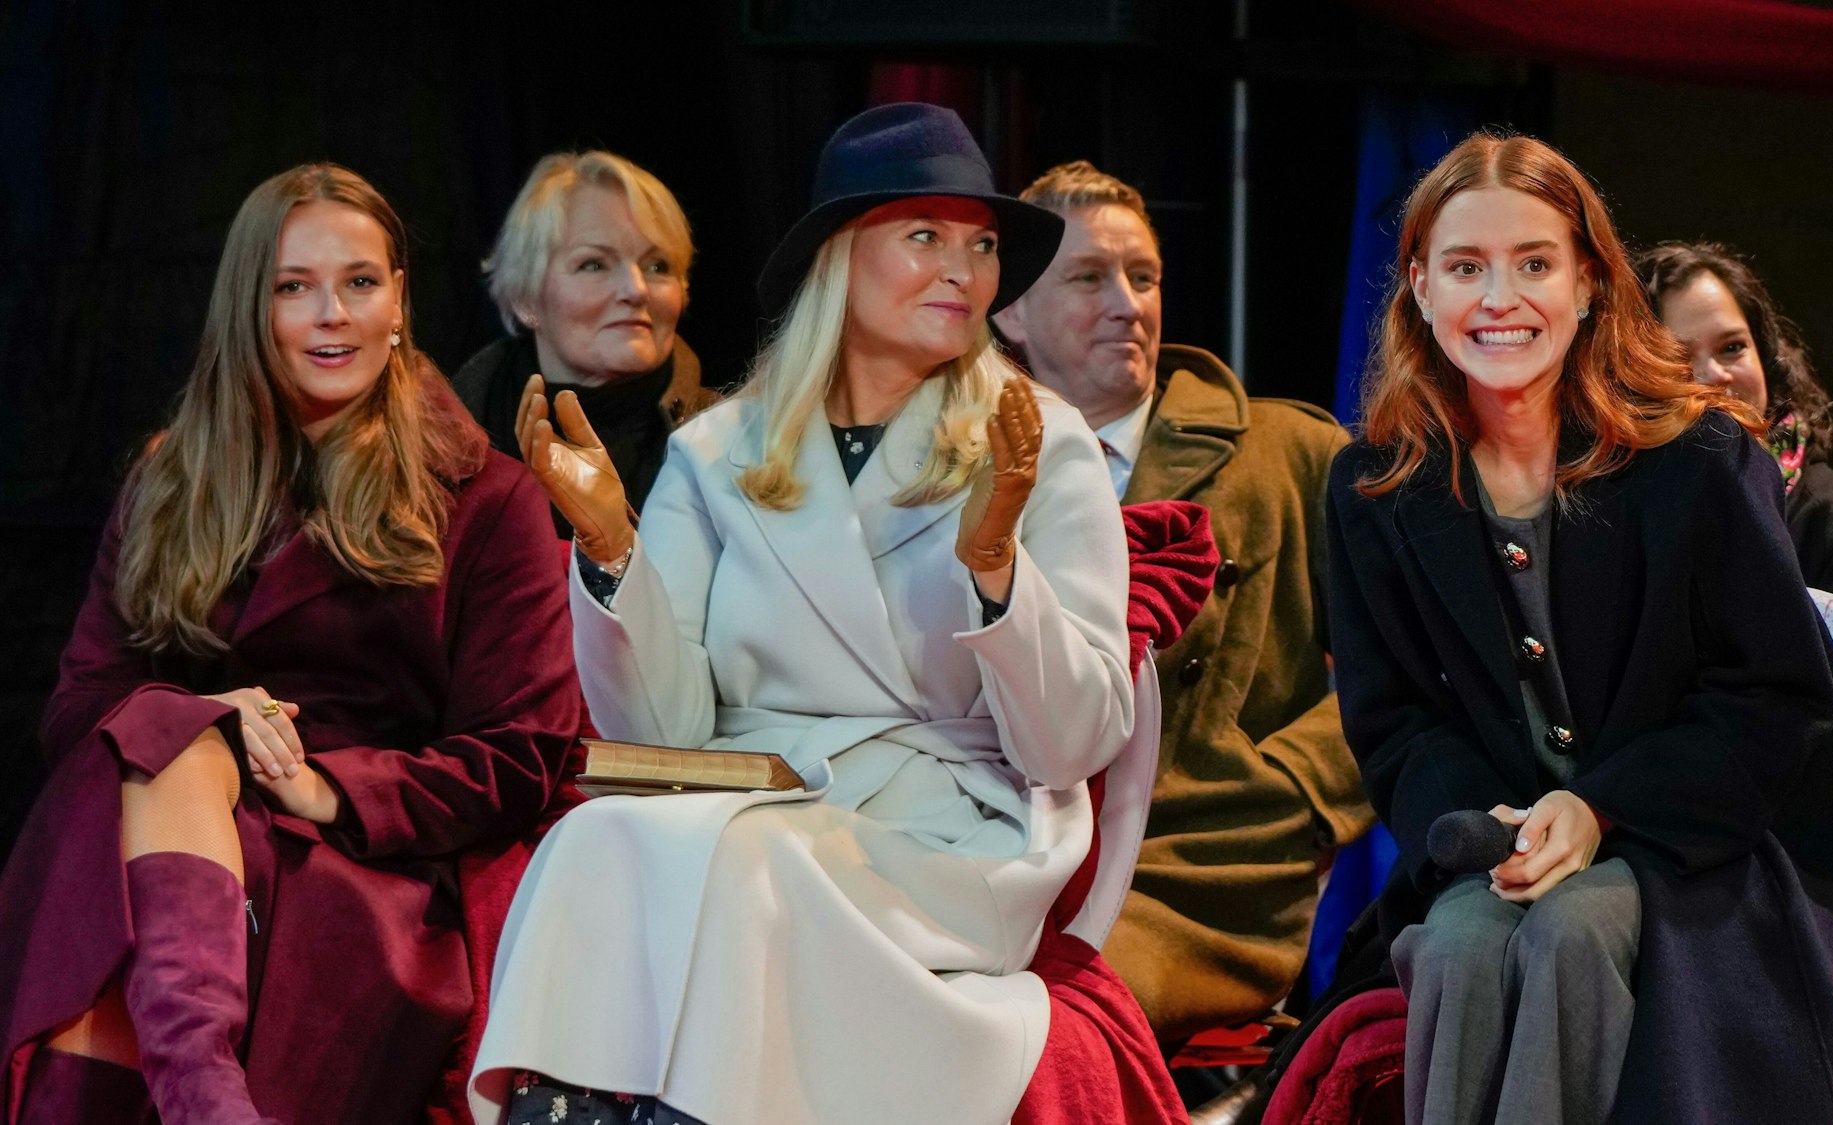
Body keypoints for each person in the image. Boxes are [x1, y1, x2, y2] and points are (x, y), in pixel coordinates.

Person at [471, 103, 1137, 1125]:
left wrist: (999, 568)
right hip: (753, 804)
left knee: (745, 867)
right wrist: (611, 548)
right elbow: (663, 732)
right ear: (839, 256)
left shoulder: (1035, 440)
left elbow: (1074, 743)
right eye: (924, 237)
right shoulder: (719, 450)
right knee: (594, 841)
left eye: (983, 246)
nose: (963, 271)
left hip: (948, 833)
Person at [1322, 133, 1833, 1124]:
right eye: (1464, 267)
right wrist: (1487, 828)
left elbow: (1773, 701)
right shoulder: (1372, 485)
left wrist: (1600, 810)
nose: (1498, 298)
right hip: (1497, 842)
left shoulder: (1701, 459)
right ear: (1417, 287)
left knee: (1571, 933)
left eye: (1532, 264)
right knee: (1455, 942)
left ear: (1586, 281)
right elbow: (1393, 718)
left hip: (1707, 849)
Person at [0, 165, 580, 1123]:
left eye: (360, 282)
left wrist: (328, 787)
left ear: (400, 301)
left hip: (359, 863)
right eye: (293, 286)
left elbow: (519, 754)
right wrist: (202, 722)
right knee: (161, 749)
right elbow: (76, 708)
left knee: (128, 874)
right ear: (248, 306)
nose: (332, 315)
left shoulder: (489, 496)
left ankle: (197, 1094)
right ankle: (203, 1093)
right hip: (170, 824)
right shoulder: (169, 480)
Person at [993, 160, 1371, 1042]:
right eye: (1088, 278)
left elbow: (1409, 661)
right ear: (1011, 310)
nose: (1128, 302)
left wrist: (1299, 789)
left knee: (1043, 1025)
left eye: (1144, 276)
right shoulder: (959, 465)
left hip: (1204, 867)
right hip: (1000, 852)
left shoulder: (1290, 450)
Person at [1637, 241, 1833, 632]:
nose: (1716, 374)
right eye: (1677, 359)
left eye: (1733, 347)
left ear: (1766, 355)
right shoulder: (1606, 515)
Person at [455, 151, 714, 534]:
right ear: (526, 298)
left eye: (657, 266)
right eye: (594, 264)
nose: (636, 290)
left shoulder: (730, 444)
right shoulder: (443, 443)